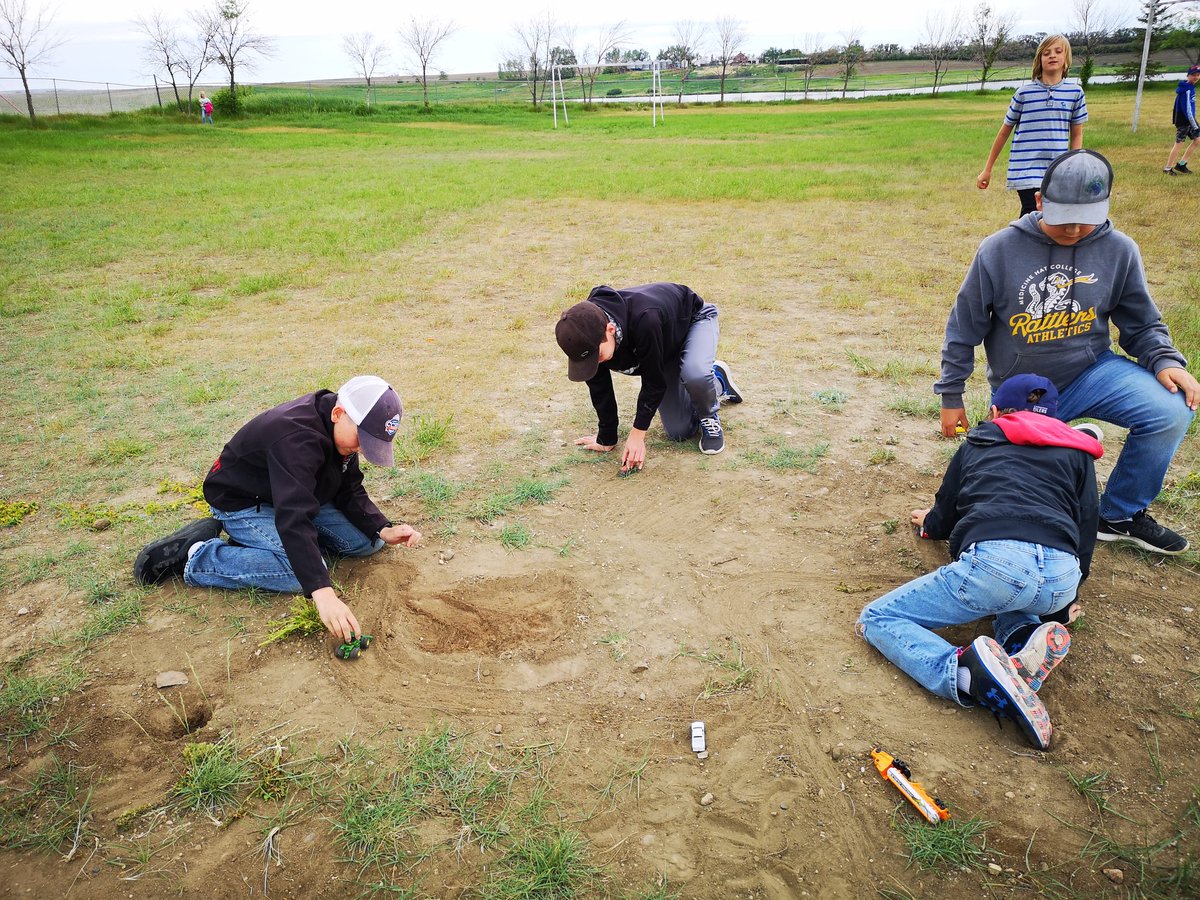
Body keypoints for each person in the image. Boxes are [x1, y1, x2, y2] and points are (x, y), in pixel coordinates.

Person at [938, 149, 1199, 554]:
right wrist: (951, 395)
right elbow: (963, 328)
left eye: (1087, 219)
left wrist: (1164, 360)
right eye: (1064, 218)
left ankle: (1120, 514)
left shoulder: (1120, 250)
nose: (1075, 229)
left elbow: (1141, 322)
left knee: (1171, 409)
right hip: (1022, 390)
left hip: (1093, 371)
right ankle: (1060, 440)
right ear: (1040, 202)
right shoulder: (998, 250)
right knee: (1017, 504)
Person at [858, 374, 1102, 751]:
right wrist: (1065, 603)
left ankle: (965, 677)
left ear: (993, 411)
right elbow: (1086, 526)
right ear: (1057, 420)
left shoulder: (979, 441)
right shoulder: (1078, 453)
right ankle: (1023, 640)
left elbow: (947, 507)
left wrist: (930, 525)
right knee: (1016, 600)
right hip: (1060, 575)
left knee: (878, 618)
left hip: (996, 565)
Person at [133, 376, 421, 641]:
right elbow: (293, 518)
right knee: (300, 575)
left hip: (292, 495)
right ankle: (198, 557)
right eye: (362, 440)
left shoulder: (342, 433)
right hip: (243, 503)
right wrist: (323, 594)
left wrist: (382, 527)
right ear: (338, 414)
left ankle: (265, 546)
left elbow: (349, 488)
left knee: (367, 542)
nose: (362, 450)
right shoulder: (295, 438)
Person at [554, 282, 743, 471]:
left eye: (598, 356)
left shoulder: (645, 319)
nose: (596, 362)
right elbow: (599, 387)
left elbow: (653, 382)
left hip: (693, 320)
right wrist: (607, 437)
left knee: (695, 374)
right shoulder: (586, 333)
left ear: (610, 330)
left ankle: (711, 400)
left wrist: (637, 435)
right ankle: (716, 384)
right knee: (679, 431)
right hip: (663, 347)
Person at [976, 35, 1087, 218]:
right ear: (1039, 60)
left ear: (1066, 59)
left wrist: (1074, 165)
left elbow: (1076, 134)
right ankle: (1019, 244)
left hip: (1056, 168)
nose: (1052, 56)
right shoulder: (1024, 94)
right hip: (1026, 168)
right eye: (1046, 53)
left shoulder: (1075, 93)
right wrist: (987, 169)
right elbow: (1004, 132)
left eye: (1058, 52)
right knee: (1033, 213)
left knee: (1052, 217)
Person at [1163, 65, 1200, 177]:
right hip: (1185, 121)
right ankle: (1168, 168)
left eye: (1198, 75)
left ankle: (1181, 165)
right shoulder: (1187, 89)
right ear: (1188, 75)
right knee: (1179, 144)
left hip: (1190, 119)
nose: (1196, 77)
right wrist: (1195, 125)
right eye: (1193, 75)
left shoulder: (1190, 87)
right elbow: (1187, 109)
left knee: (1197, 140)